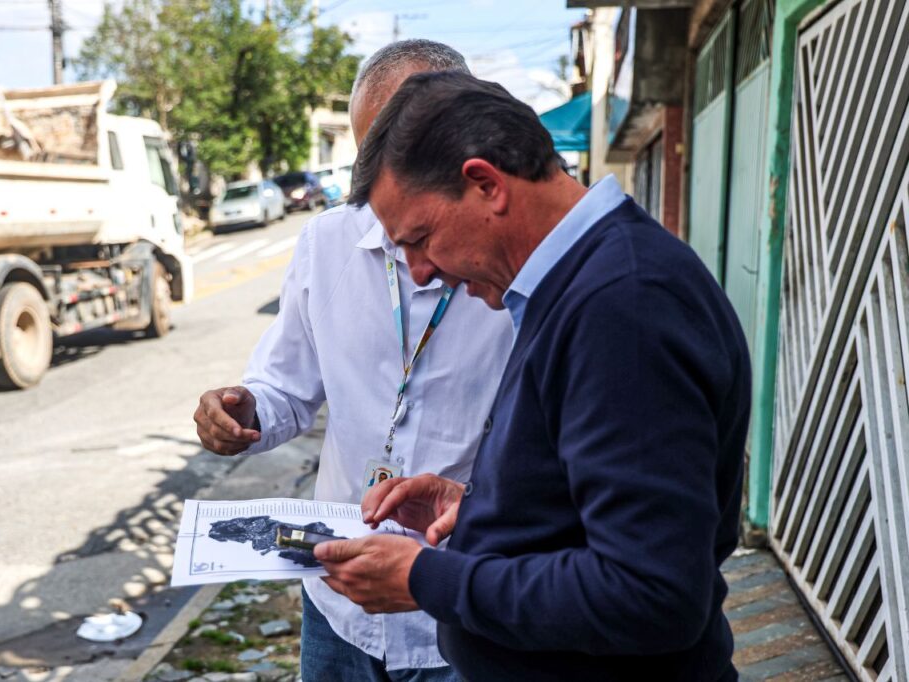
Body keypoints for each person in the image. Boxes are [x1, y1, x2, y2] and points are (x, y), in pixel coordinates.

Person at [313, 71, 752, 681]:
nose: (419, 273)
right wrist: (486, 508)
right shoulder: (583, 282)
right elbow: (598, 503)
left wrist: (426, 577)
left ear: (486, 184)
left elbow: (652, 593)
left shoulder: (624, 304)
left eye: (422, 238)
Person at [192, 43, 514, 681]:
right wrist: (246, 410)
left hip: (460, 619)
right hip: (336, 605)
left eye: (402, 152)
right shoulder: (327, 242)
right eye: (371, 158)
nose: (380, 184)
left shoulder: (517, 259)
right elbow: (284, 386)